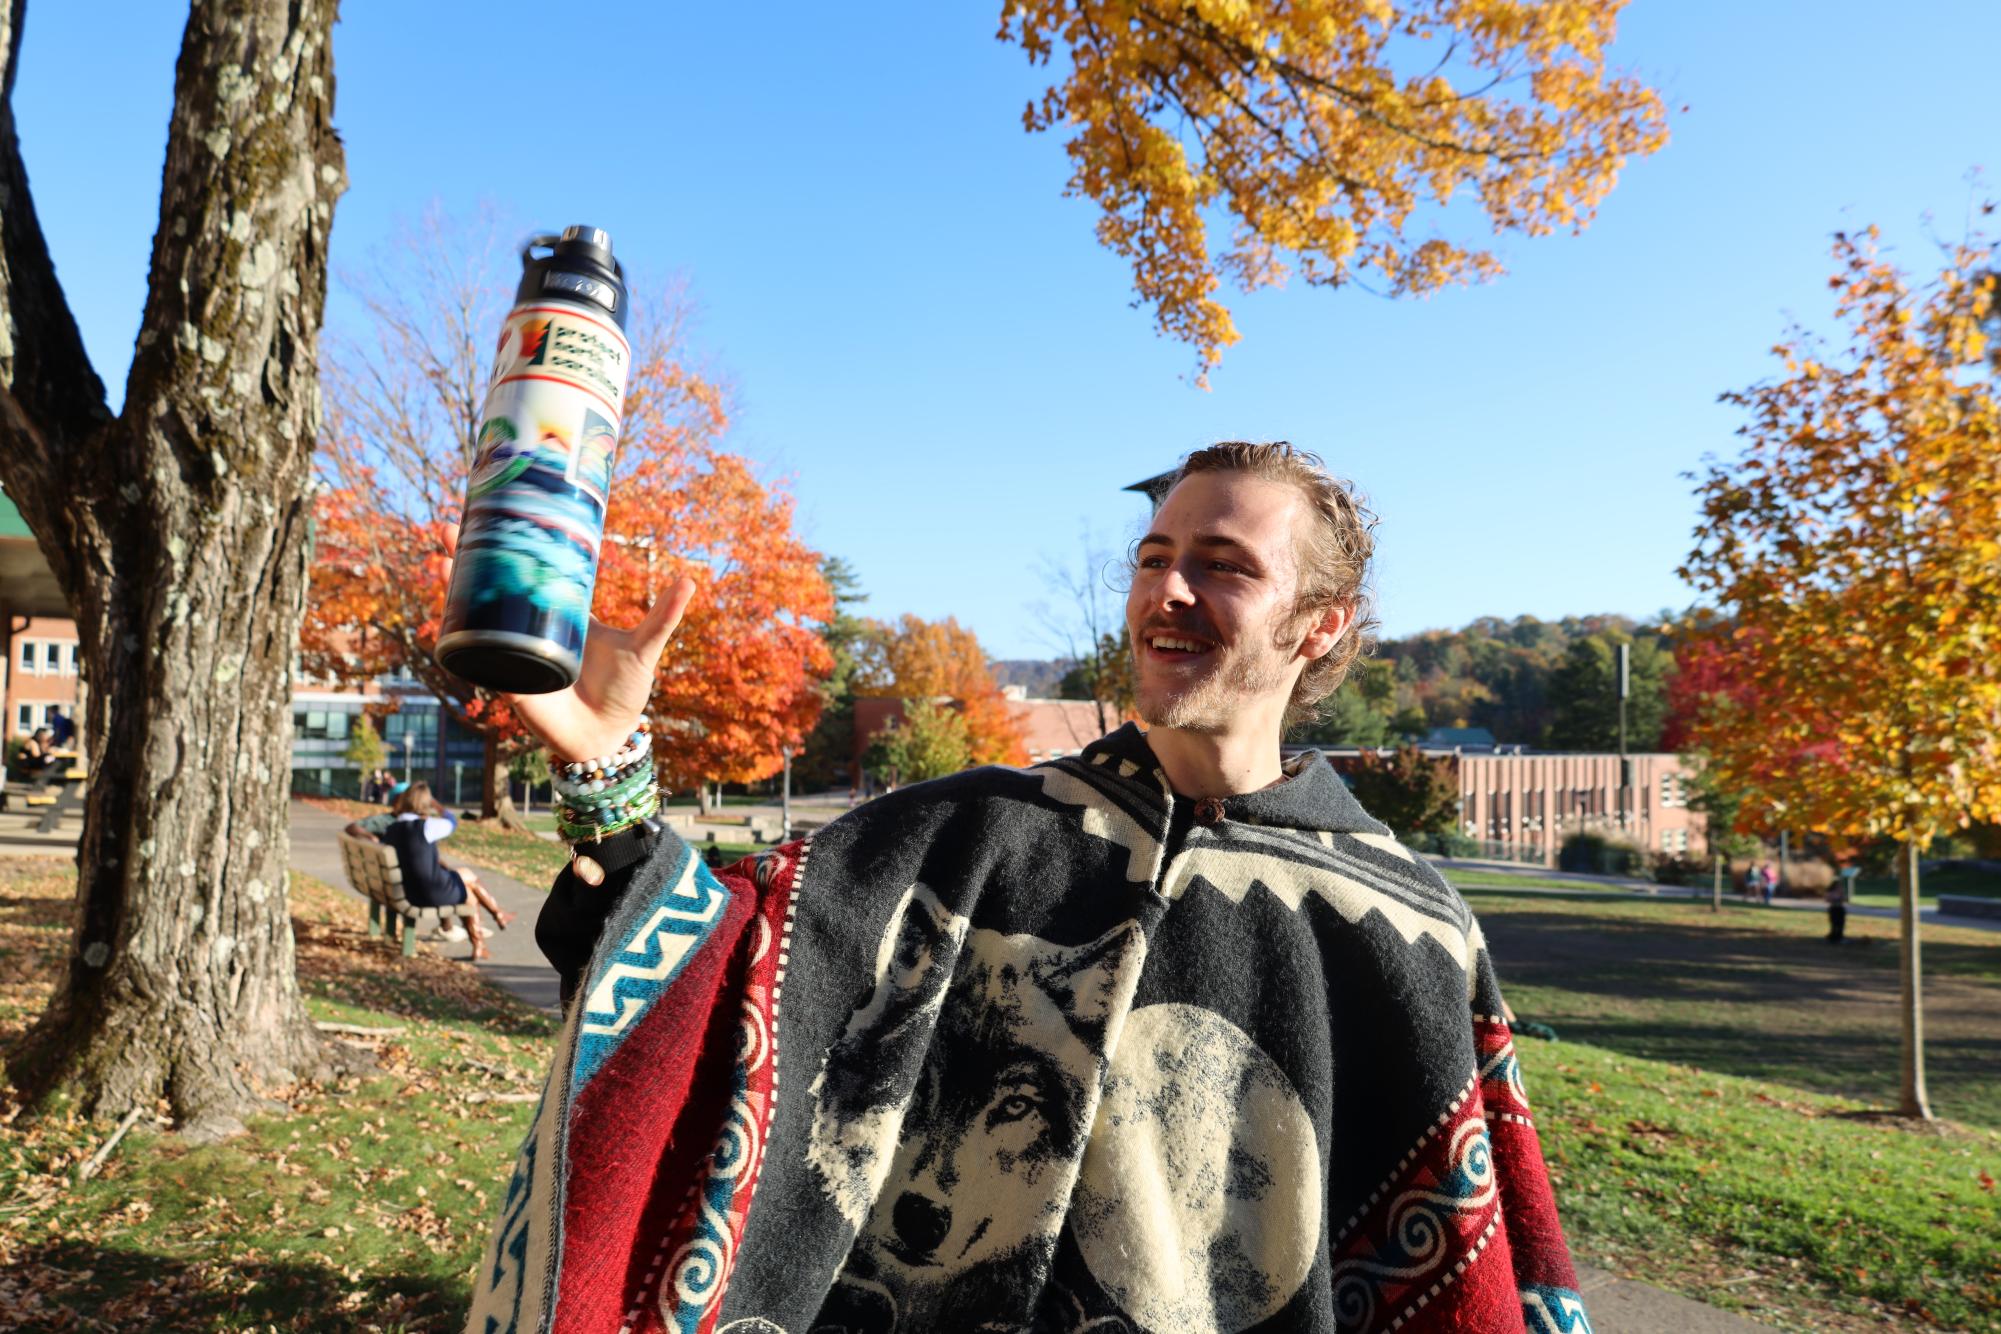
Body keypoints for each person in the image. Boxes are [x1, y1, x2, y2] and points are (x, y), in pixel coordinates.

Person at [467, 443, 1591, 1332]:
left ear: (1320, 622)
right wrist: (607, 771)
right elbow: (727, 973)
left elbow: (1470, 1259)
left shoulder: (1402, 928)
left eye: (1225, 564)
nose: (1170, 589)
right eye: (1154, 556)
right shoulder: (971, 831)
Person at [343, 783, 514, 958]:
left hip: (403, 892)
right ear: (425, 805)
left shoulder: (391, 829)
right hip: (427, 893)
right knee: (468, 887)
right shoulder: (426, 827)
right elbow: (452, 822)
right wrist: (437, 805)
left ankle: (494, 921)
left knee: (467, 884)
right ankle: (489, 928)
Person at [1827, 869, 1853, 943]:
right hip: (1833, 908)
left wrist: (1842, 897)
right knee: (1834, 923)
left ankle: (1840, 936)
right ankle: (1833, 937)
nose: (1839, 886)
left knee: (1841, 923)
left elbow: (1844, 899)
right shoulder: (1830, 891)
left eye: (1840, 885)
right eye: (1838, 885)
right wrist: (1836, 898)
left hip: (1840, 908)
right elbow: (1828, 899)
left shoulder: (1841, 891)